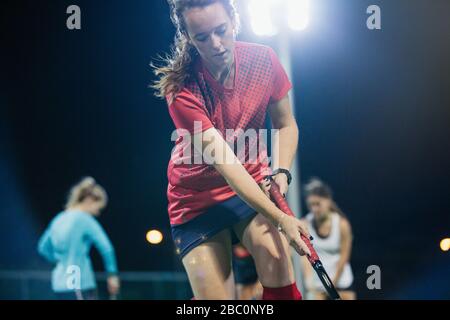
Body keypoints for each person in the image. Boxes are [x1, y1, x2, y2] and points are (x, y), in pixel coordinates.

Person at [153, 0, 311, 300]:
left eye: (221, 30)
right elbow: (229, 167)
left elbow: (285, 125)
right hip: (195, 201)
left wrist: (281, 172)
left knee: (278, 263)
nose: (216, 44)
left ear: (234, 20)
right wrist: (281, 218)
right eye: (202, 37)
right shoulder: (182, 90)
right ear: (187, 37)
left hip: (251, 187)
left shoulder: (264, 60)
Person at [37, 177, 120, 300]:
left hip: (59, 285)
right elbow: (107, 248)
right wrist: (112, 275)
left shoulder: (58, 219)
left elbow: (42, 247)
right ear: (89, 200)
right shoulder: (85, 219)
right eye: (98, 208)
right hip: (79, 284)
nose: (98, 213)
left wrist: (60, 261)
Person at [300, 178, 356, 300]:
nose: (314, 209)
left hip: (341, 282)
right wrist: (309, 283)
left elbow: (344, 257)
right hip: (317, 286)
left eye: (317, 204)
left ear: (328, 201)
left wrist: (332, 284)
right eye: (311, 205)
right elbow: (304, 258)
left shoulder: (342, 225)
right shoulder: (304, 224)